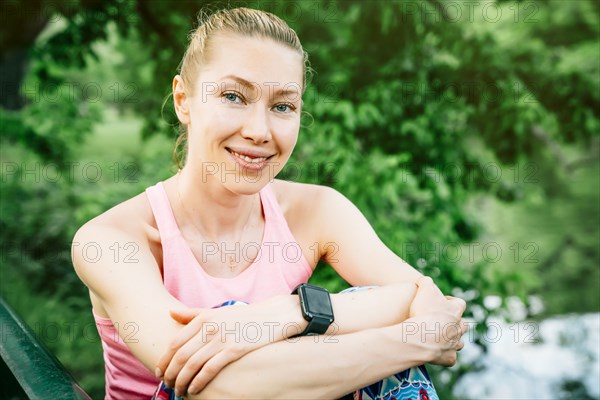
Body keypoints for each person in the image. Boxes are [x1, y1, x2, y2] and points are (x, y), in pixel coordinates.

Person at [71, 7, 467, 400]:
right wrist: (415, 342)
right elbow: (209, 387)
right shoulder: (111, 240)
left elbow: (434, 302)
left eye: (282, 106)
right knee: (234, 315)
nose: (259, 131)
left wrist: (284, 315)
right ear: (183, 100)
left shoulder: (317, 210)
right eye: (233, 96)